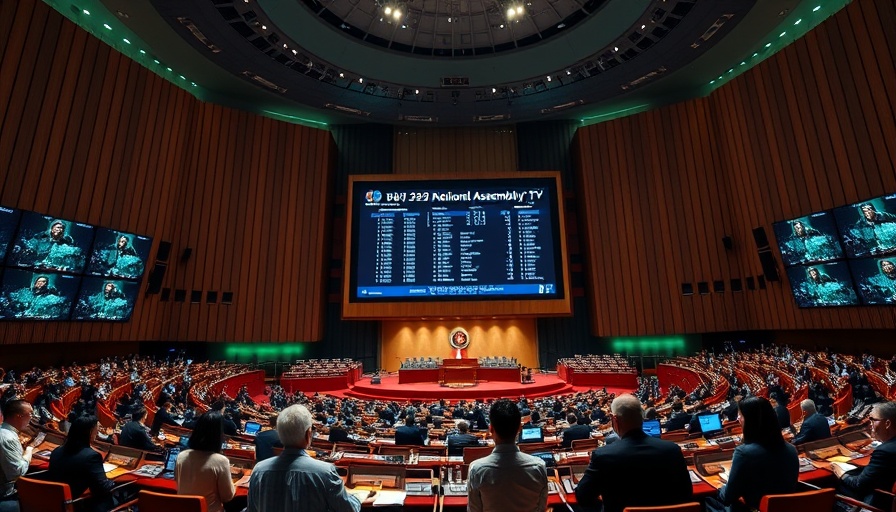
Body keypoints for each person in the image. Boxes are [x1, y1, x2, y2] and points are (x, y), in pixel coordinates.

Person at [575, 394, 692, 512]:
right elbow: (687, 492)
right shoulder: (672, 450)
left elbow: (582, 497)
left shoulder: (603, 455)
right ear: (642, 417)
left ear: (614, 419)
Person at [246, 404, 362, 512]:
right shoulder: (325, 472)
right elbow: (350, 509)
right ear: (308, 434)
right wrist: (358, 497)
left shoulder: (258, 470)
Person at [705, 397, 799, 512]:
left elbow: (728, 497)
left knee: (706, 501)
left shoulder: (743, 453)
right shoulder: (791, 450)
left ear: (751, 420)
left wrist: (721, 488)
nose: (738, 418)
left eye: (741, 415)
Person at [467, 399, 548, 512]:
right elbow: (541, 508)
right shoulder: (539, 466)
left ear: (491, 429)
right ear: (519, 428)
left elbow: (474, 510)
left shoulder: (476, 469)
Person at [47, 415, 116, 512]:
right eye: (97, 429)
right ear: (90, 432)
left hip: (56, 503)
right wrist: (114, 481)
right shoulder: (92, 456)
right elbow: (101, 489)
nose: (97, 433)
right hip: (78, 504)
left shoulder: (56, 451)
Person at [833, 401, 896, 508]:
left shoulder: (884, 451)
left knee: (831, 489)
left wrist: (841, 473)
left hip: (878, 503)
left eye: (873, 420)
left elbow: (859, 484)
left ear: (887, 424)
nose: (870, 425)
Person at [175, 411, 235, 512]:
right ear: (218, 435)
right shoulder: (221, 461)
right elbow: (227, 497)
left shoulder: (181, 456)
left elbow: (178, 482)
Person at [1, 400, 34, 512]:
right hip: (6, 496)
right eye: (30, 413)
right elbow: (17, 471)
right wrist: (28, 452)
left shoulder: (4, 431)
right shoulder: (8, 438)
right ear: (18, 416)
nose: (32, 417)